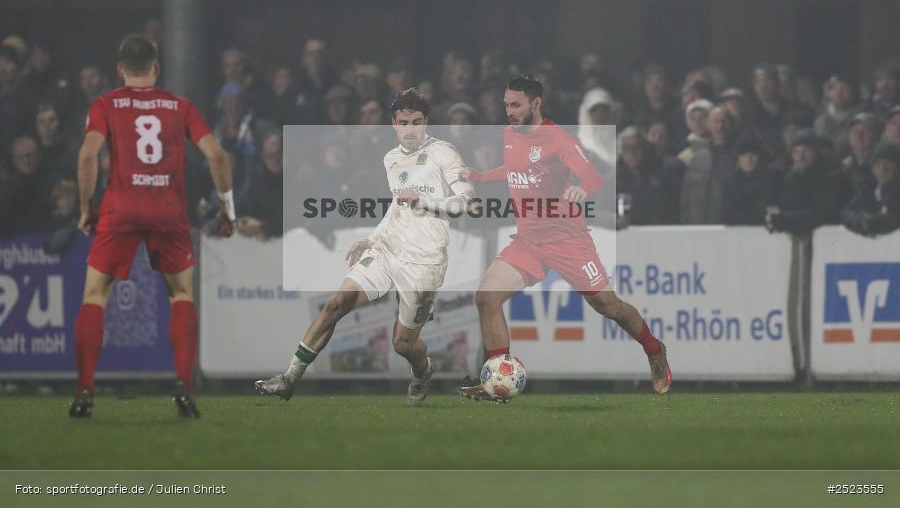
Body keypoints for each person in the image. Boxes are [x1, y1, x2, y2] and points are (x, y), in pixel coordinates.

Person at [457, 75, 671, 402]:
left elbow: (593, 176)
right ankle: (496, 381)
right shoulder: (510, 133)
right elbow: (514, 169)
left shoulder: (559, 140)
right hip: (528, 242)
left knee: (607, 305)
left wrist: (581, 189)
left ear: (536, 104)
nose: (508, 111)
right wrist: (481, 176)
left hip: (567, 241)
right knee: (486, 298)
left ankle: (654, 350)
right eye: (506, 105)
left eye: (515, 105)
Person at [255, 88, 474, 406]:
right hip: (388, 247)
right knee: (335, 304)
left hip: (425, 260)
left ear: (426, 122)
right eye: (403, 122)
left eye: (416, 122)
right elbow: (398, 206)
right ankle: (289, 378)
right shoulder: (391, 159)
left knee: (403, 343)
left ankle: (423, 370)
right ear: (393, 124)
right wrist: (373, 237)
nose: (409, 129)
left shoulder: (444, 154)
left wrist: (424, 200)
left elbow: (465, 203)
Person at [69, 34, 235, 419]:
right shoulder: (180, 106)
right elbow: (217, 154)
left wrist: (86, 208)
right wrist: (228, 208)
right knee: (181, 295)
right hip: (168, 210)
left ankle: (84, 390)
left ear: (120, 69)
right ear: (156, 69)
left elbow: (87, 155)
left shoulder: (106, 104)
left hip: (121, 207)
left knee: (95, 295)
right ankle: (182, 384)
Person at [841, 142, 900, 237]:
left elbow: (895, 217)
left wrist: (871, 222)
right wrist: (858, 222)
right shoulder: (870, 187)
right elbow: (847, 211)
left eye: (888, 164)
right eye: (878, 164)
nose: (883, 169)